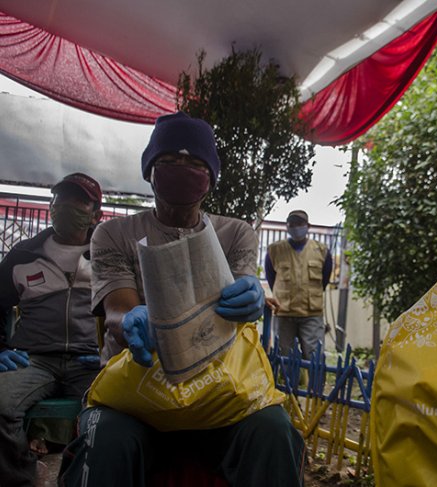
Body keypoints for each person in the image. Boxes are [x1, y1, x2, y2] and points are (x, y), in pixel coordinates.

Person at [59, 112, 304, 486]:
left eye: (194, 163)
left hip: (221, 391)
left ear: (211, 177)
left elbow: (240, 295)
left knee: (274, 429)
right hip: (134, 395)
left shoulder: (235, 233)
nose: (181, 168)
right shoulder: (113, 234)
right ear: (149, 170)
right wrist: (130, 320)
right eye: (169, 161)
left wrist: (250, 295)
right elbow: (116, 308)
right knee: (105, 438)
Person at [0, 173, 103, 487]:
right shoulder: (24, 255)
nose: (65, 205)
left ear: (96, 213)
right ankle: (21, 478)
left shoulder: (110, 256)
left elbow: (134, 306)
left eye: (78, 200)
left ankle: (76, 480)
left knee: (105, 417)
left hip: (91, 360)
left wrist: (110, 354)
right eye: (59, 199)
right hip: (33, 360)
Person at [265, 210, 333, 359]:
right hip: (283, 312)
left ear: (308, 226)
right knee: (283, 356)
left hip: (311, 314)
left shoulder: (321, 251)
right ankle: (284, 383)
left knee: (315, 357)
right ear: (287, 226)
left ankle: (315, 383)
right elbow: (271, 278)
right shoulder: (274, 250)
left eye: (299, 224)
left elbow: (325, 279)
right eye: (292, 224)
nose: (296, 227)